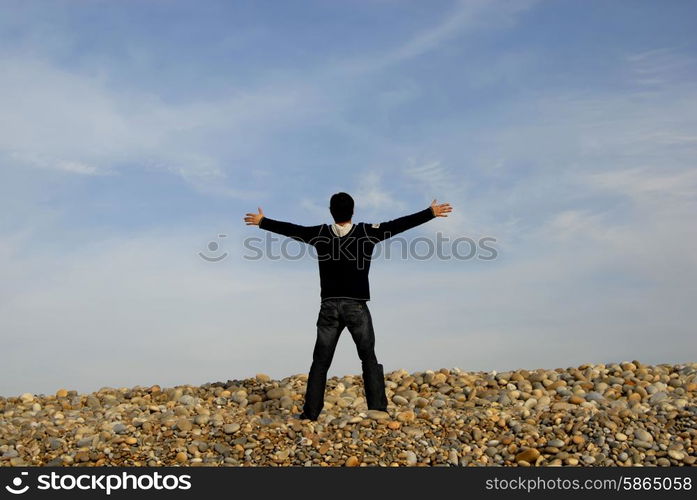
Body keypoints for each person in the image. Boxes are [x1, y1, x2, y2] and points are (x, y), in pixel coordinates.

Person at [244, 193, 452, 420]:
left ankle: (310, 414)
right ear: (353, 211)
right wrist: (430, 213)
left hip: (329, 307)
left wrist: (262, 222)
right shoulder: (366, 232)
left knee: (320, 362)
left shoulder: (320, 234)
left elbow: (294, 230)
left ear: (331, 211)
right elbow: (399, 225)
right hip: (356, 306)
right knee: (368, 357)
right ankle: (378, 409)